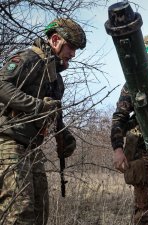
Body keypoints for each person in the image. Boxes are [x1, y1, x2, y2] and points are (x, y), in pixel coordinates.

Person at [0, 18, 86, 225]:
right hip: (9, 142)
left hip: (32, 148)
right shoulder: (28, 58)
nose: (73, 54)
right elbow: (2, 84)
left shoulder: (56, 77)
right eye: (71, 47)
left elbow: (55, 115)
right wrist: (38, 106)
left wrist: (64, 135)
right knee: (19, 212)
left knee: (39, 212)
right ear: (55, 40)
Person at [111, 34, 148, 225]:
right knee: (143, 210)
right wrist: (118, 149)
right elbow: (119, 117)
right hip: (143, 155)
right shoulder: (132, 84)